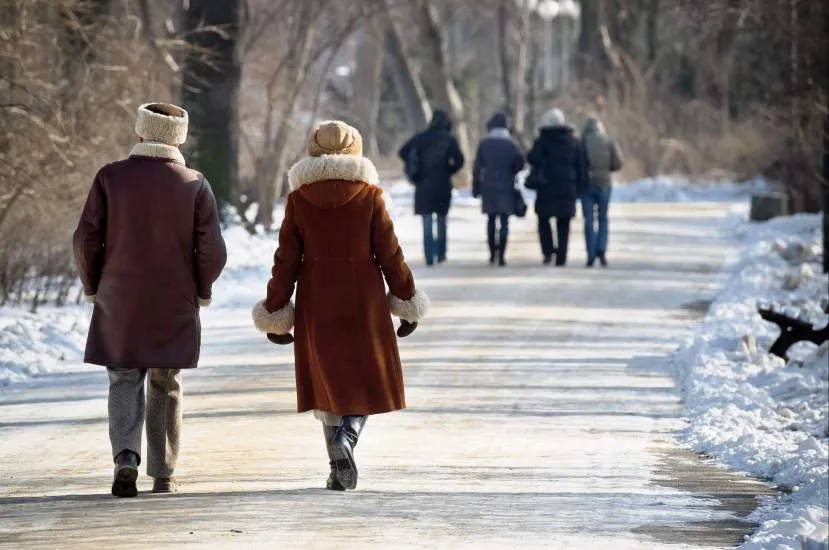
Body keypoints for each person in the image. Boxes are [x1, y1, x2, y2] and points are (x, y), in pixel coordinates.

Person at [253, 121, 430, 491]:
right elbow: (390, 255)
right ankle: (347, 438)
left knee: (327, 381)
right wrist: (406, 298)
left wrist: (275, 309)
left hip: (317, 300)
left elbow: (286, 259)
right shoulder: (369, 196)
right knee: (363, 377)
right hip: (363, 299)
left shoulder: (299, 200)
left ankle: (337, 468)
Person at [73, 102, 227, 498]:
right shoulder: (195, 183)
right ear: (180, 138)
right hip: (173, 300)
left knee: (123, 377)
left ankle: (126, 456)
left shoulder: (111, 178)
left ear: (140, 133)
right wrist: (202, 288)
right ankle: (163, 474)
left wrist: (93, 284)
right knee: (165, 382)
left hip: (119, 298)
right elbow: (212, 249)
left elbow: (86, 237)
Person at [397, 110, 465, 265]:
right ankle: (440, 254)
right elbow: (460, 160)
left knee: (426, 221)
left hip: (423, 184)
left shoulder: (420, 137)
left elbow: (402, 152)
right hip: (442, 185)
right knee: (441, 219)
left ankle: (429, 256)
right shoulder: (449, 139)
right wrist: (449, 170)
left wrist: (414, 167)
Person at [526, 108, 585, 266]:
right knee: (564, 223)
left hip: (546, 188)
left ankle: (547, 252)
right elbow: (581, 167)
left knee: (543, 220)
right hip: (567, 188)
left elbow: (532, 158)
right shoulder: (574, 142)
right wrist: (579, 188)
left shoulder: (542, 140)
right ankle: (562, 256)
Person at [472, 112, 525, 266]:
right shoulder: (512, 144)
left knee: (490, 220)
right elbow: (520, 162)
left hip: (488, 186)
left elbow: (477, 168)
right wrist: (512, 171)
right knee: (504, 221)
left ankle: (491, 253)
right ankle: (501, 254)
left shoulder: (484, 144)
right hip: (506, 186)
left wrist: (476, 187)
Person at [581, 116, 623, 267]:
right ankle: (601, 250)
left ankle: (591, 253)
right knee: (603, 218)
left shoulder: (583, 142)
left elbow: (579, 163)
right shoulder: (609, 141)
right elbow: (618, 163)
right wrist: (606, 170)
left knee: (589, 220)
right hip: (605, 184)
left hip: (587, 185)